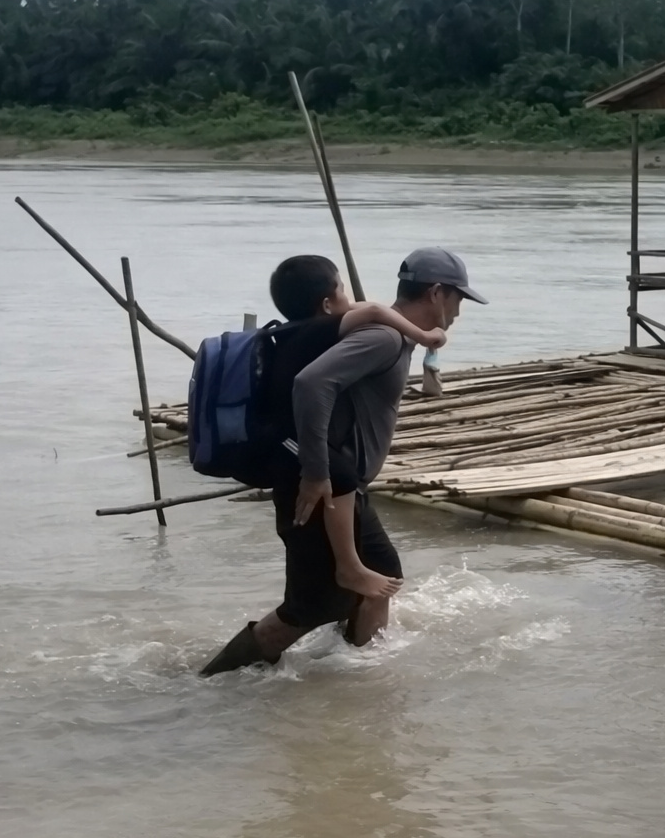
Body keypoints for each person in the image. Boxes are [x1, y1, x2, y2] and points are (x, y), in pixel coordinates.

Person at [200, 248, 486, 676]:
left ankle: (355, 684)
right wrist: (317, 472)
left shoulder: (392, 335)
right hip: (322, 486)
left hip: (345, 487)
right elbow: (312, 383)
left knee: (382, 578)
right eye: (459, 299)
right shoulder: (383, 338)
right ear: (437, 293)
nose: (460, 311)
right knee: (311, 607)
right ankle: (211, 683)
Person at [265, 254, 446, 600]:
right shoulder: (325, 328)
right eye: (343, 291)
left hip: (289, 428)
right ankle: (348, 567)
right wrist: (424, 336)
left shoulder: (303, 330)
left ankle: (356, 639)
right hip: (288, 435)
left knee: (369, 576)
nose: (351, 301)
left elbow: (367, 309)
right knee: (341, 475)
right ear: (327, 303)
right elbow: (376, 311)